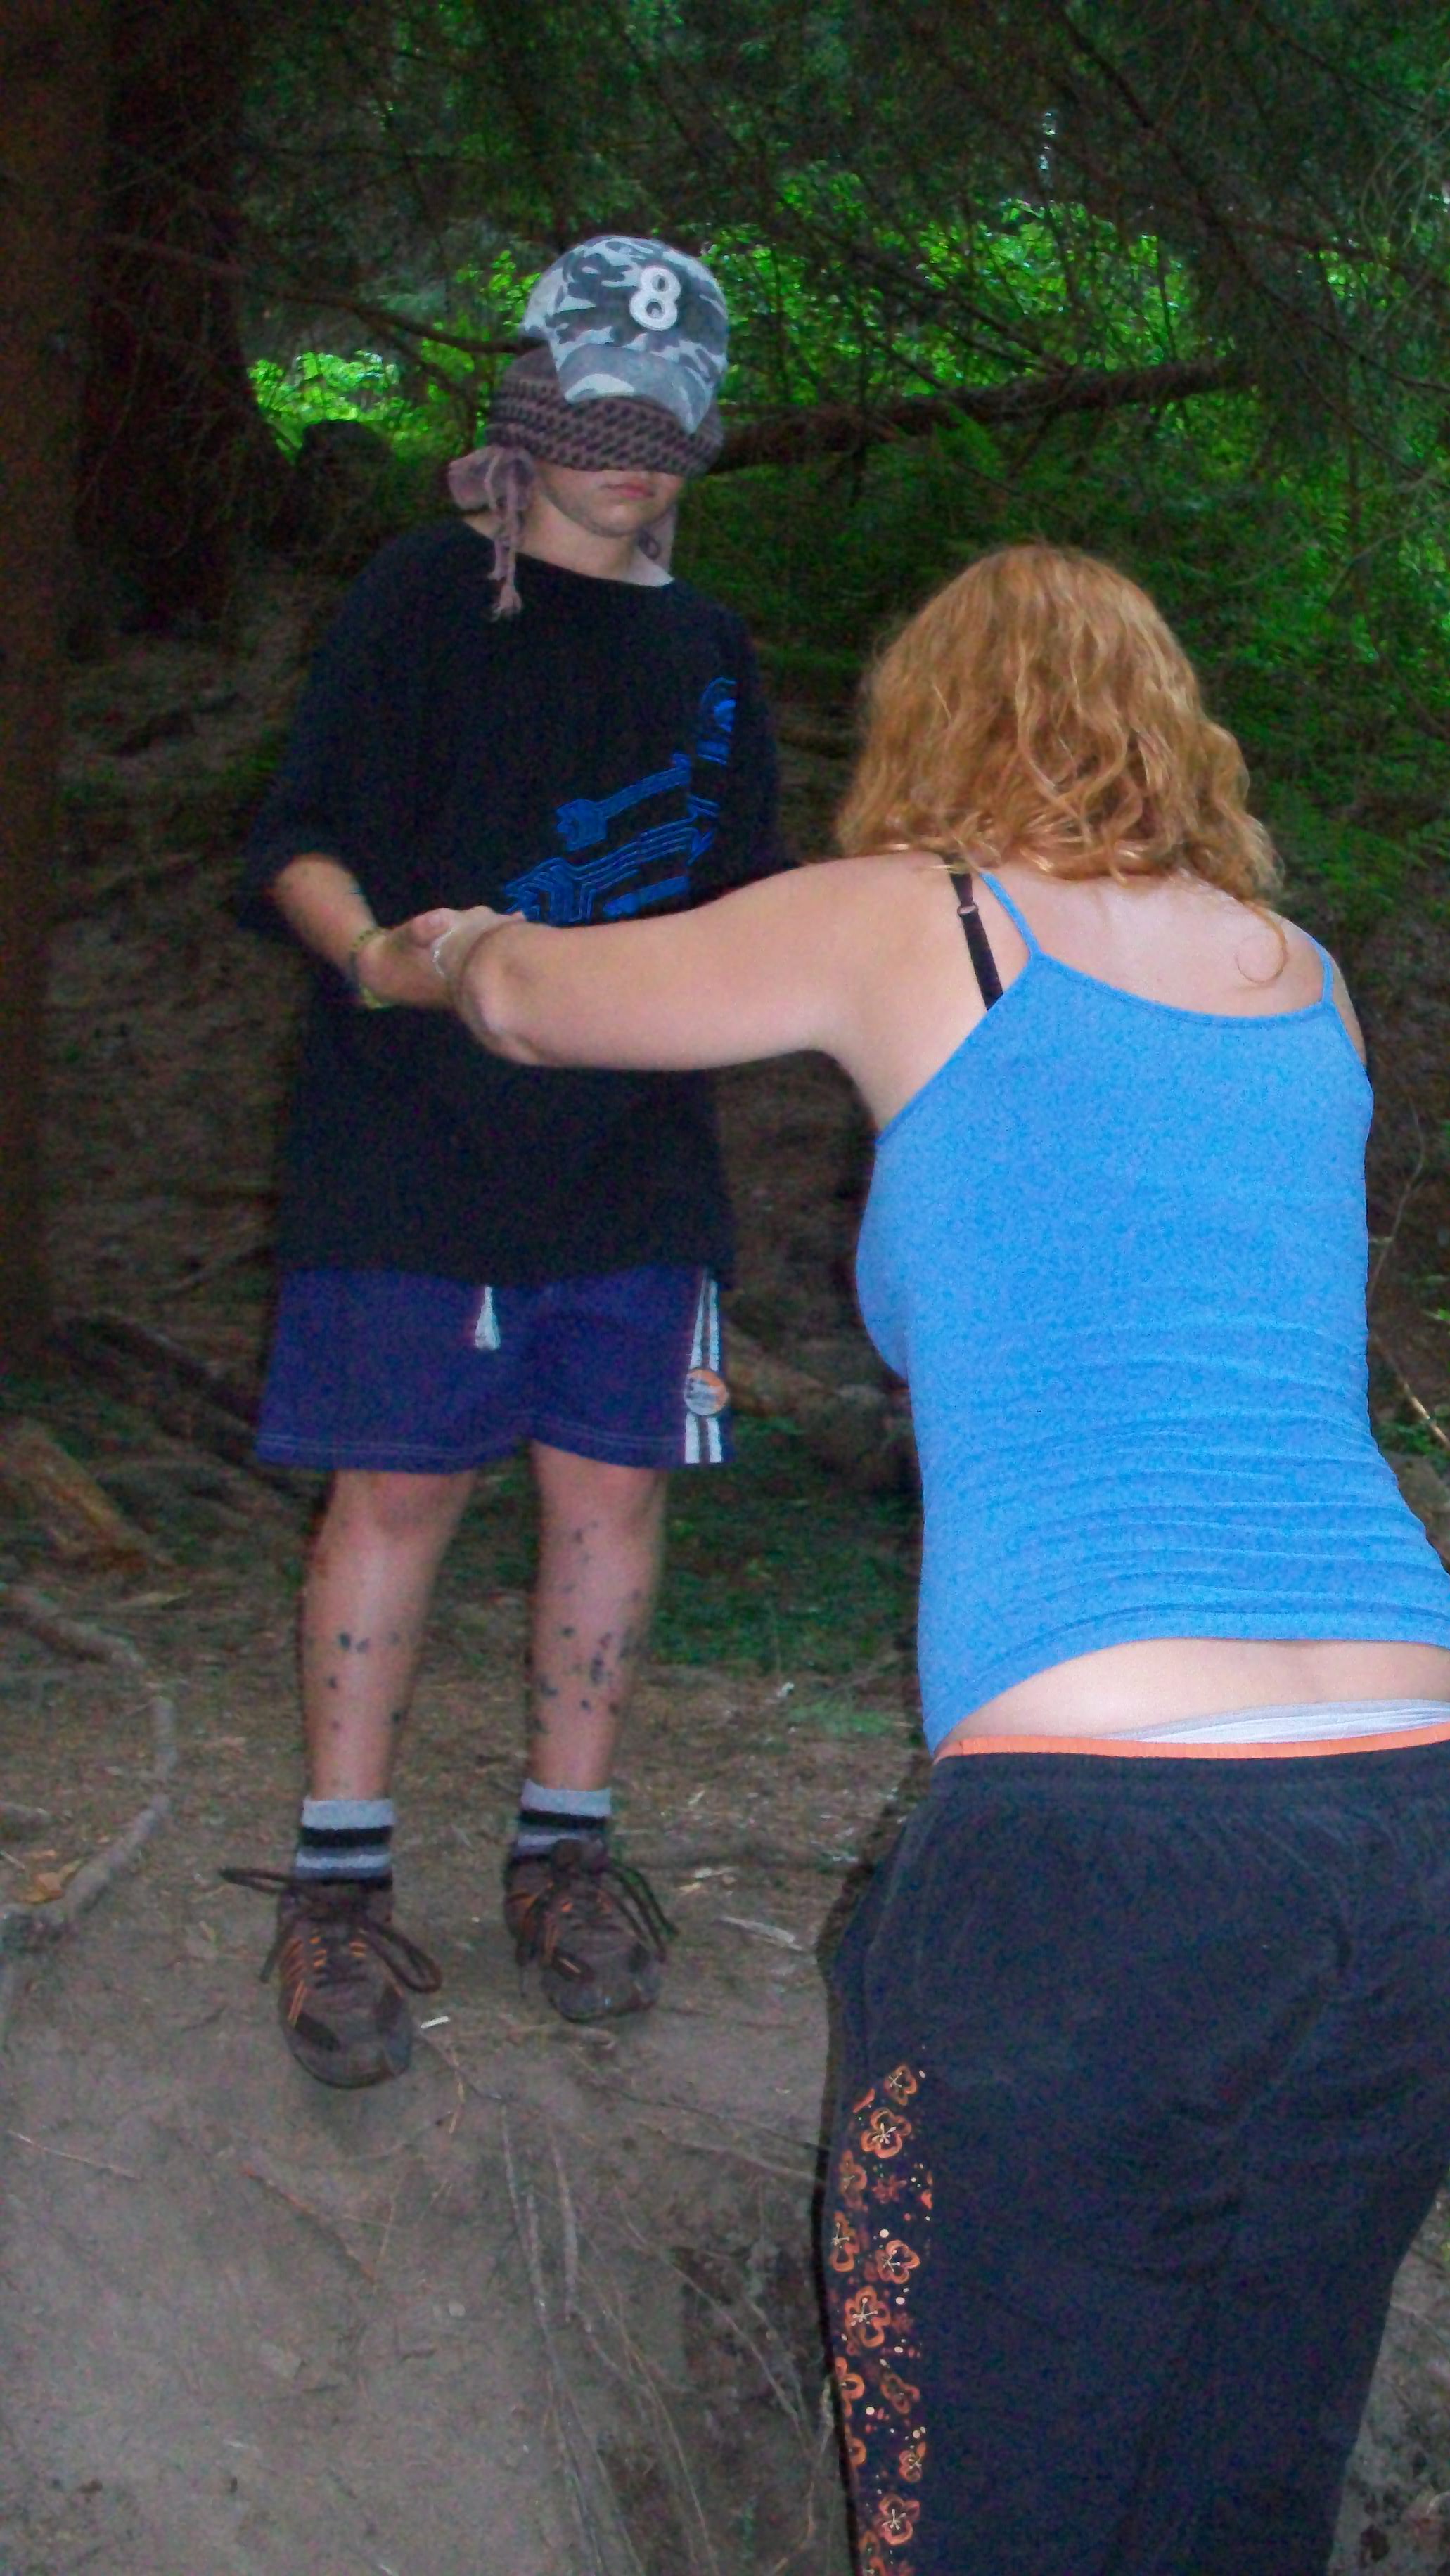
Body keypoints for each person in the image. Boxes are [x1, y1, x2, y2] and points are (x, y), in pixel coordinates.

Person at [416, 542, 1450, 2576]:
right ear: (1170, 728)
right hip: (1416, 1823)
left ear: (932, 725)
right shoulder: (1301, 979)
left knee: (977, 2502)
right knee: (1241, 2495)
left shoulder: (923, 917)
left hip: (1105, 1845)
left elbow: (538, 1001)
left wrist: (432, 948)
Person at [225, 236, 787, 2088]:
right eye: (602, 423)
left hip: (632, 1152)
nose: (634, 462)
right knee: (397, 1494)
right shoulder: (420, 598)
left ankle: (566, 1855)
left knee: (613, 1494)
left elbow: (743, 905)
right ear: (531, 419)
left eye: (667, 431)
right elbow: (299, 837)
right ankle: (336, 1882)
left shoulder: (709, 650)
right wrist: (382, 958)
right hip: (413, 1135)